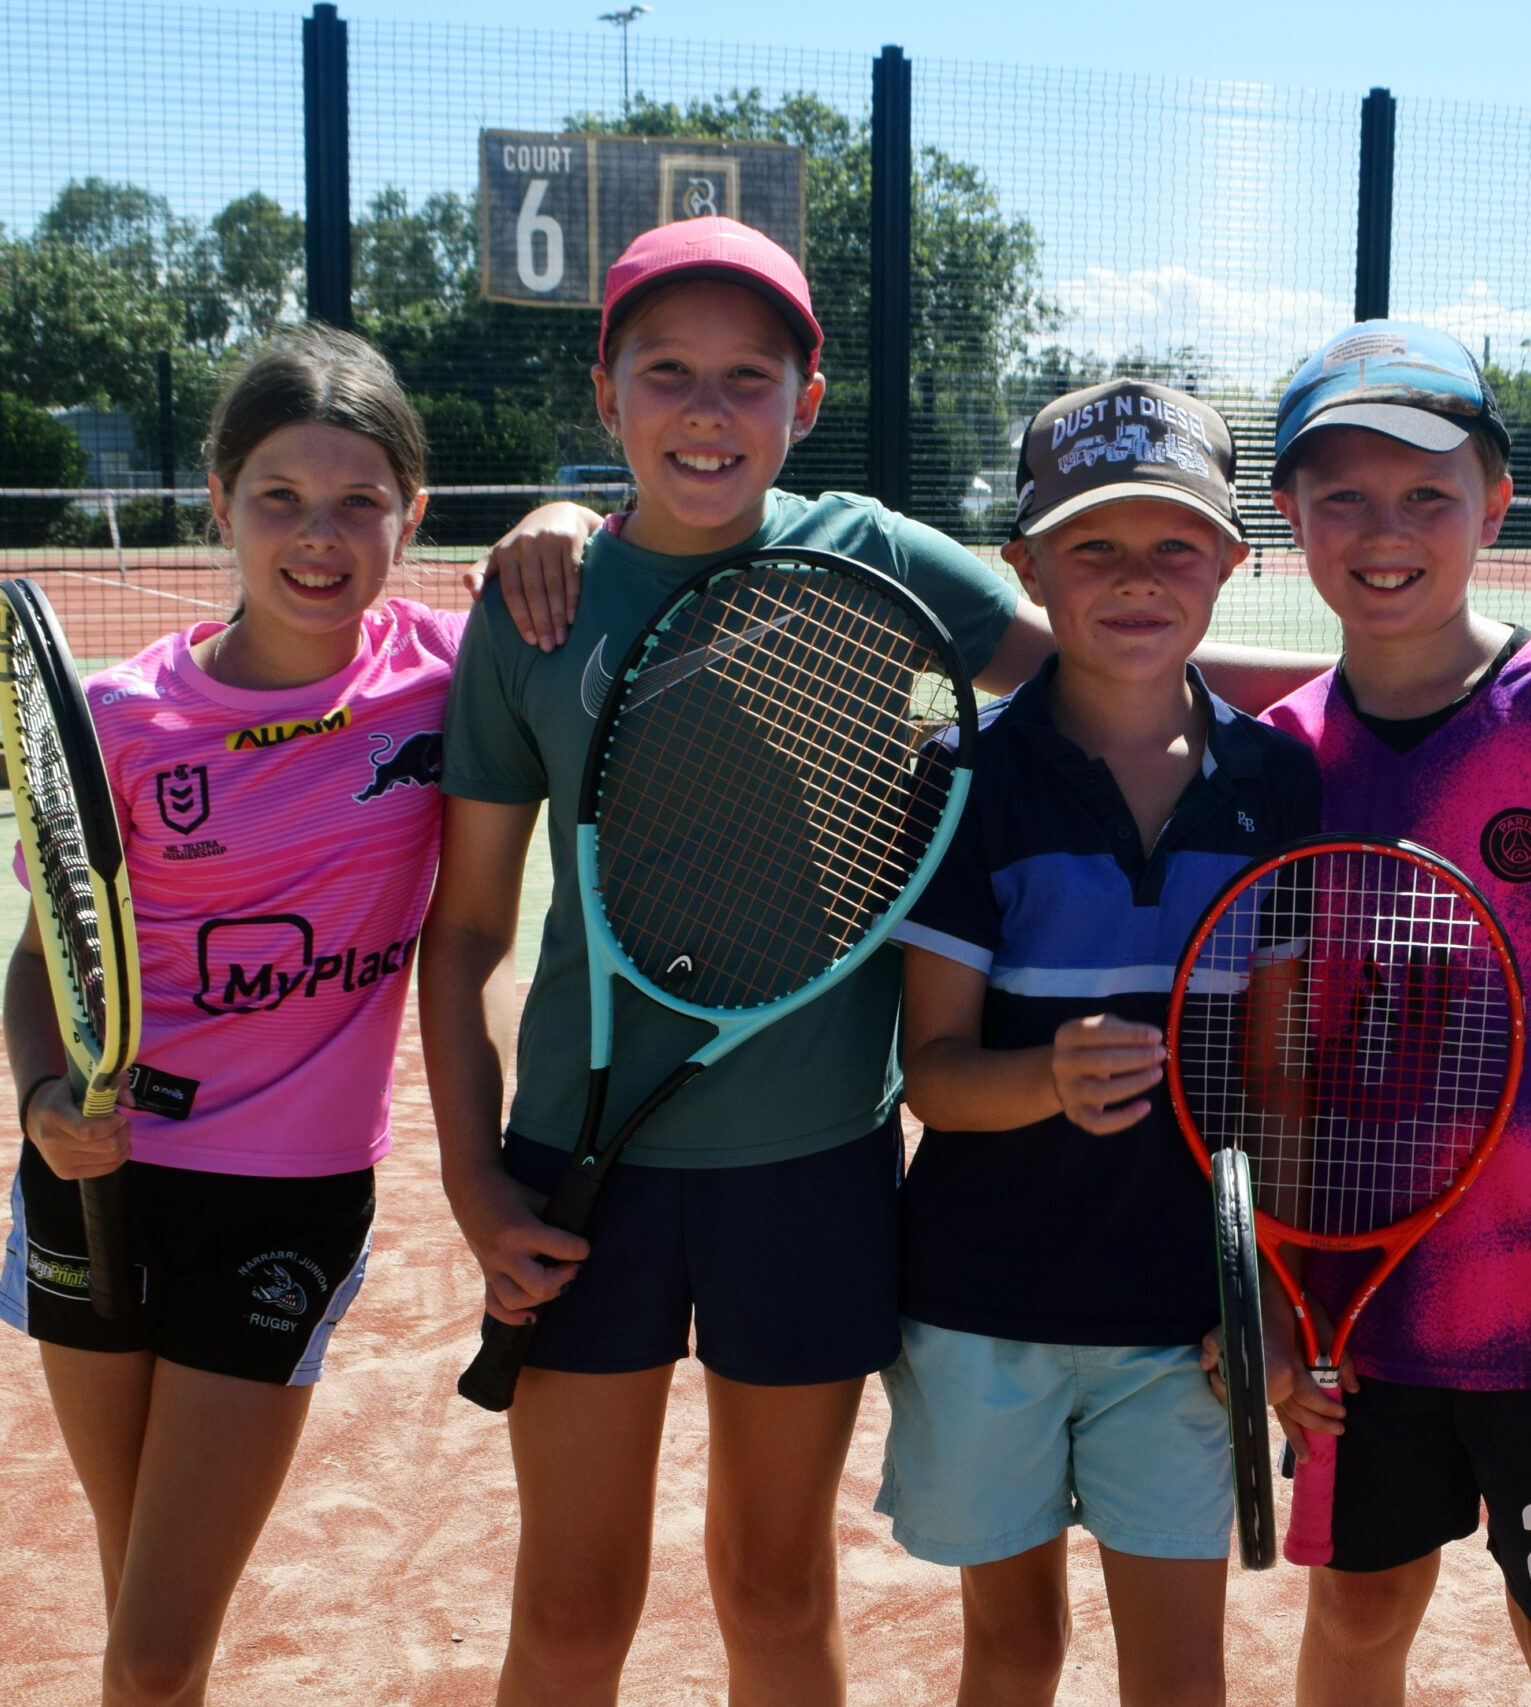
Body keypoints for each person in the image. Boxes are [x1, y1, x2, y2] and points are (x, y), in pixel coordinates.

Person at [416, 220, 1324, 1707]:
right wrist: (471, 1180)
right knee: (573, 1611)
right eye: (668, 374)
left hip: (814, 1176)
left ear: (806, 402)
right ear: (606, 397)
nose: (708, 411)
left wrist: (1383, 694)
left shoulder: (873, 557)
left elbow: (1102, 666)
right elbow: (464, 938)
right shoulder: (539, 608)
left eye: (748, 377)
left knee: (777, 1595)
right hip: (575, 1175)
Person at [0, 324, 554, 1707]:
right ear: (220, 506)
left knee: (156, 1644)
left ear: (413, 516)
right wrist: (41, 1102)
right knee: (141, 1605)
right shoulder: (123, 718)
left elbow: (582, 566)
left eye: (362, 501)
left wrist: (555, 515)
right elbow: (43, 960)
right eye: (281, 501)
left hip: (284, 1203)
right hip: (94, 1186)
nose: (321, 537)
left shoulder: (451, 672)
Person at [1251, 321, 1531, 1707]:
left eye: (1426, 495)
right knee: (1357, 1616)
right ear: (1288, 515)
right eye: (1340, 493)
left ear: (1493, 505)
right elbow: (1274, 1063)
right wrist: (1274, 1300)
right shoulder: (1280, 761)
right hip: (1350, 1316)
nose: (1382, 530)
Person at [884, 380, 1323, 1707]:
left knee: (1179, 1676)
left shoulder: (1279, 786)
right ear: (1024, 567)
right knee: (1012, 1653)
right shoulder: (966, 781)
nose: (1137, 579)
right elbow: (937, 1082)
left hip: (1185, 1322)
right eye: (1093, 546)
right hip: (982, 1316)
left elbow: (1281, 1079)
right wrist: (1047, 1078)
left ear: (1234, 562)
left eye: (1174, 544)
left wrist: (1278, 1295)